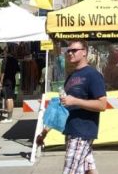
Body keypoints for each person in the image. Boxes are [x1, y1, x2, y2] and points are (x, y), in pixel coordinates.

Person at [36, 40, 107, 174]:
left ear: (84, 52)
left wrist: (75, 101)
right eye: (68, 50)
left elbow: (102, 104)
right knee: (89, 169)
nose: (70, 53)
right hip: (71, 130)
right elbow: (64, 108)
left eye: (74, 50)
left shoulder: (92, 75)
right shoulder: (71, 77)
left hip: (82, 132)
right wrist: (44, 132)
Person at [0, 50, 20, 123]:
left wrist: (1, 82)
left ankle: (9, 118)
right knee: (10, 98)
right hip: (13, 80)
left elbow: (3, 72)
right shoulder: (15, 60)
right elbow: (18, 71)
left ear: (6, 52)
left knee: (8, 99)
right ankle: (10, 116)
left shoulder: (5, 61)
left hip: (7, 81)